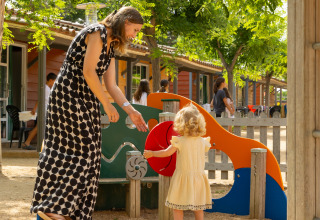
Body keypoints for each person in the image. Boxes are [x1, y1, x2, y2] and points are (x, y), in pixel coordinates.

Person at [31, 6, 147, 220]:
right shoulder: (97, 32)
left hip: (87, 98)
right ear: (126, 21)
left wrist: (130, 110)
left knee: (93, 155)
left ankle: (71, 212)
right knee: (80, 151)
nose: (134, 35)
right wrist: (106, 104)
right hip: (68, 95)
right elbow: (88, 71)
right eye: (135, 30)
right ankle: (51, 206)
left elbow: (112, 85)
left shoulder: (112, 44)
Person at [144, 104, 212, 220]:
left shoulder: (180, 141)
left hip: (182, 178)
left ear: (181, 124)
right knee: (198, 208)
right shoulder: (203, 142)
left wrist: (152, 153)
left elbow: (167, 153)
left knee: (177, 207)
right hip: (198, 179)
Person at [22, 73, 57, 150]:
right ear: (50, 80)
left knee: (39, 128)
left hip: (45, 112)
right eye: (54, 81)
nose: (55, 83)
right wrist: (34, 109)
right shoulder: (45, 89)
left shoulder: (46, 88)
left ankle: (28, 141)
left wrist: (35, 109)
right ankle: (26, 143)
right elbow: (40, 99)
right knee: (38, 128)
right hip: (43, 112)